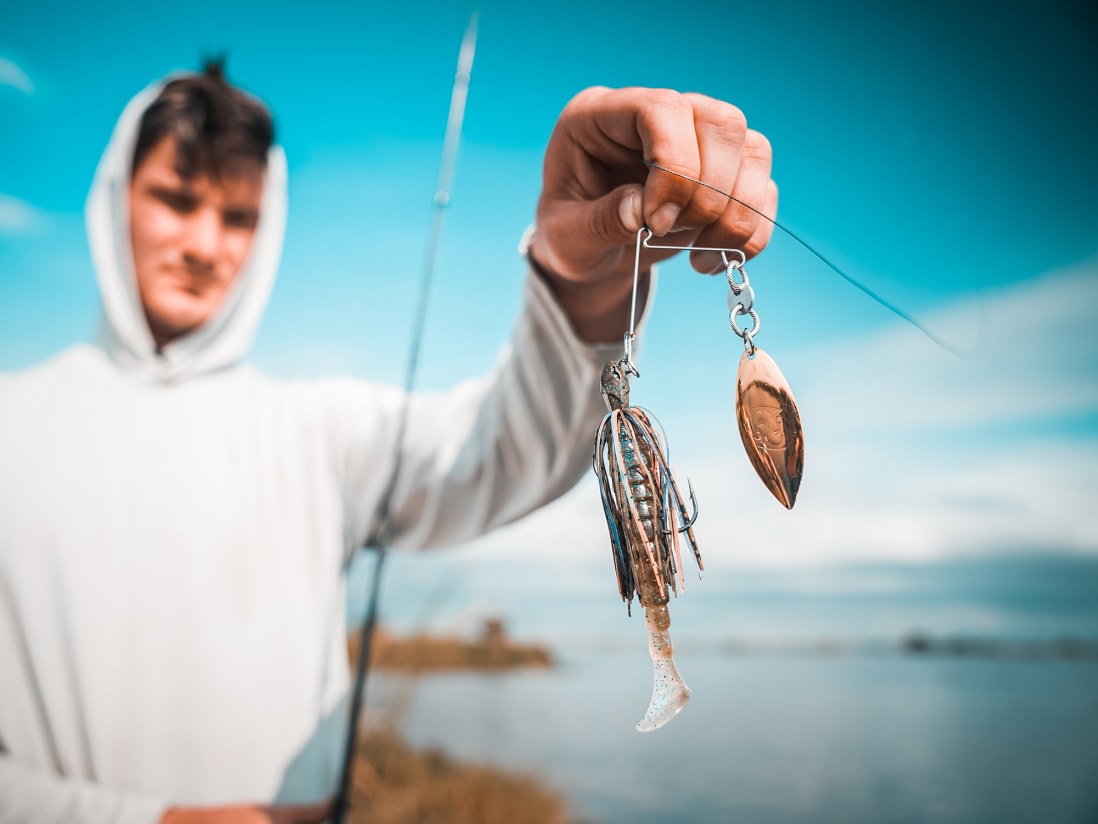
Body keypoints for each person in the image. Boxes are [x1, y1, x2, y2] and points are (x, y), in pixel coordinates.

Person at [0, 63, 777, 823]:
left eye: (238, 217)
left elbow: (507, 450)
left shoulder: (319, 431)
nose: (206, 245)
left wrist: (585, 275)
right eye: (175, 200)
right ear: (113, 202)